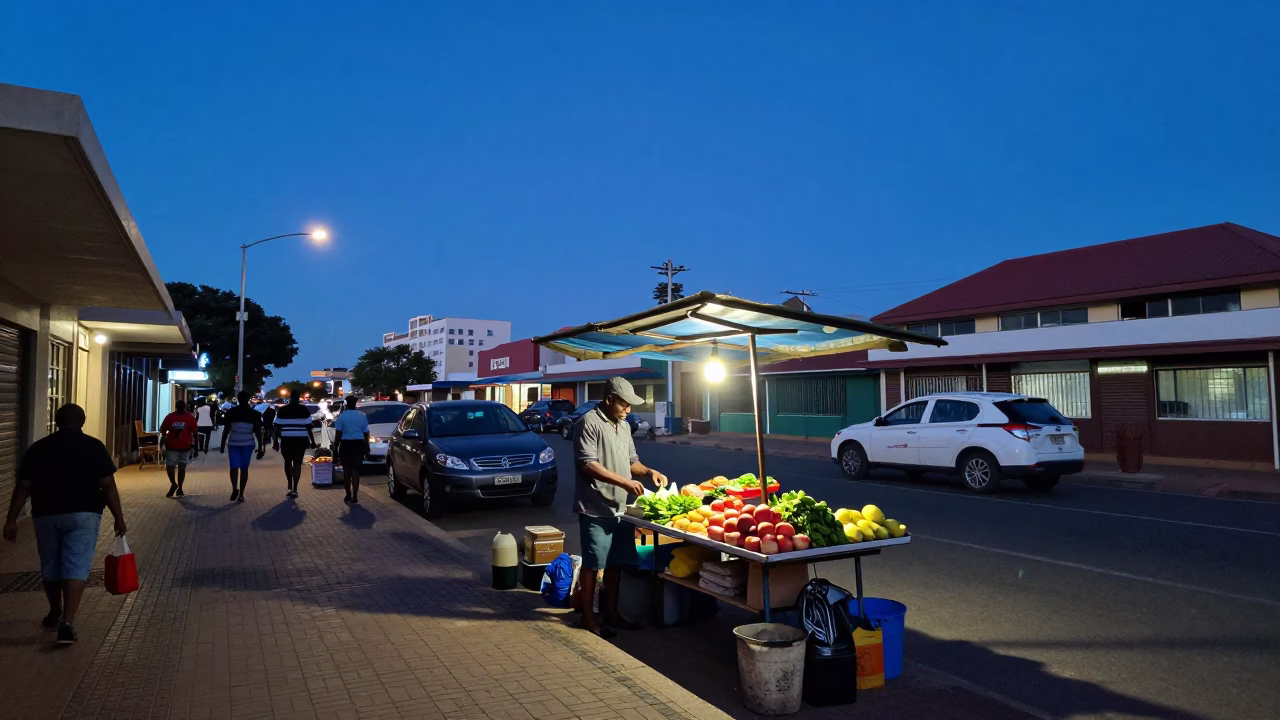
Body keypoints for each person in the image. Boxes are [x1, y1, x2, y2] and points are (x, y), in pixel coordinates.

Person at [3, 404, 127, 645]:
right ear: (83, 421)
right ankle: (67, 623)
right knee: (77, 565)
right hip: (84, 514)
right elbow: (108, 485)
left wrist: (11, 519)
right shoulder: (94, 446)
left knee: (50, 564)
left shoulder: (38, 448)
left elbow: (24, 486)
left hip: (46, 514)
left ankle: (54, 610)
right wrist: (118, 518)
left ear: (57, 421)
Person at [573, 377, 667, 638]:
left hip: (622, 509)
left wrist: (648, 472)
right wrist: (625, 481)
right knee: (593, 565)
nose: (628, 410)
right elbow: (587, 464)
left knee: (616, 564)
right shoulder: (588, 423)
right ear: (609, 400)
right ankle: (589, 618)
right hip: (595, 507)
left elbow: (632, 460)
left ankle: (611, 613)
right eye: (624, 405)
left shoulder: (623, 426)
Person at [219, 391, 264, 502]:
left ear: (238, 399)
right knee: (244, 469)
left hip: (233, 443)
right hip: (248, 444)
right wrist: (261, 447)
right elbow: (258, 432)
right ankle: (241, 494)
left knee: (234, 468)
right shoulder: (255, 414)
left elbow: (226, 430)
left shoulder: (231, 412)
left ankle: (235, 488)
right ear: (249, 399)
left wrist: (222, 444)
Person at [273, 394, 317, 498]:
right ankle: (295, 488)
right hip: (300, 440)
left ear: (289, 399)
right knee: (297, 463)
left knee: (288, 462)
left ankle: (289, 486)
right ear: (298, 399)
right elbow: (309, 427)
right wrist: (313, 441)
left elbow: (276, 427)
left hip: (286, 440)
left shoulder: (282, 410)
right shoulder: (304, 410)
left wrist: (275, 441)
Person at [330, 396, 370, 503]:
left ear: (346, 404)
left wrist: (335, 447)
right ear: (356, 404)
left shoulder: (342, 416)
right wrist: (367, 446)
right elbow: (366, 432)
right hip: (359, 444)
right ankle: (355, 496)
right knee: (356, 471)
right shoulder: (362, 416)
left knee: (347, 471)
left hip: (346, 444)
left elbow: (338, 433)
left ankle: (348, 494)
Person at [159, 400, 198, 497]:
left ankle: (180, 488)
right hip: (172, 446)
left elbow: (194, 432)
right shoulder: (170, 417)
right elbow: (163, 430)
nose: (181, 409)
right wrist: (162, 442)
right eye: (180, 407)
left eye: (183, 407)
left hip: (185, 447)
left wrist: (195, 446)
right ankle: (174, 484)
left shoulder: (189, 417)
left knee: (181, 468)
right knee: (170, 467)